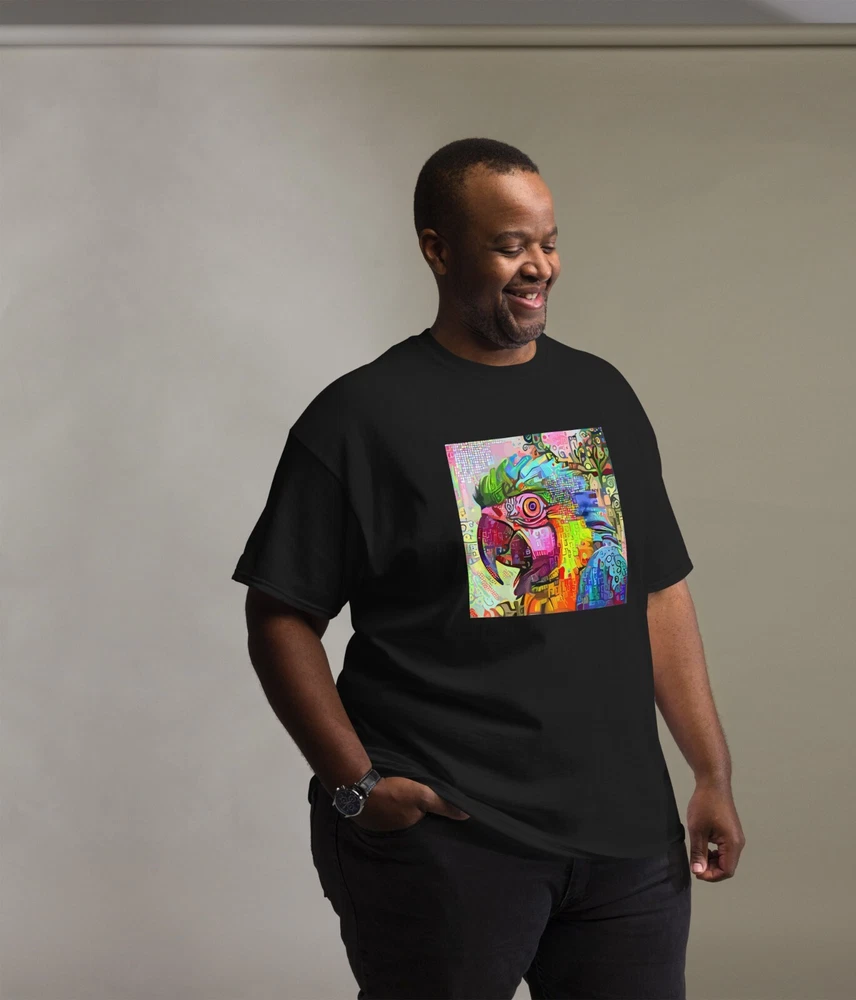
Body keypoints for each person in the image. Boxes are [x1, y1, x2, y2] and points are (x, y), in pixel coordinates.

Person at [232, 137, 745, 1000]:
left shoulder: (603, 395)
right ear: (438, 250)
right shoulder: (360, 417)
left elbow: (659, 593)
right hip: (447, 842)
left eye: (548, 242)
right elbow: (279, 614)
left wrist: (711, 774)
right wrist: (356, 786)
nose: (538, 266)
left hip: (626, 845)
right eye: (510, 246)